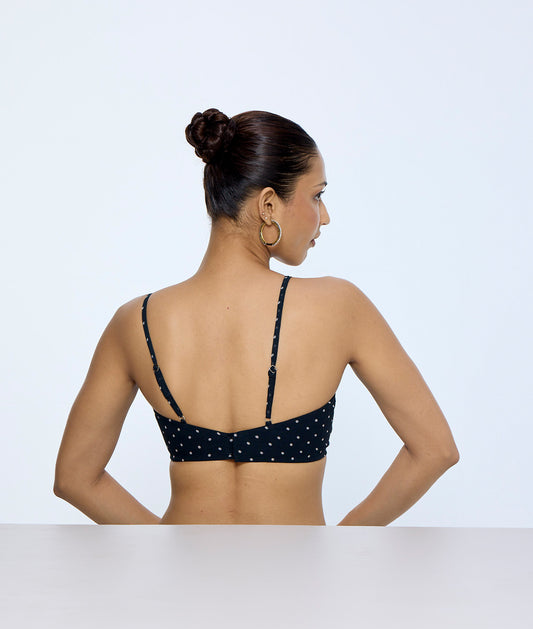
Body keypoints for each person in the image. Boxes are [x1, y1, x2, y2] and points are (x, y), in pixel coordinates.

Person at [54, 108, 459, 526]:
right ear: (268, 205)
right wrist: (338, 546)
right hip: (297, 569)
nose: (324, 216)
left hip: (182, 570)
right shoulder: (340, 307)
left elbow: (74, 478)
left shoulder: (135, 321)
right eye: (316, 195)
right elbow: (435, 449)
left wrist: (165, 550)